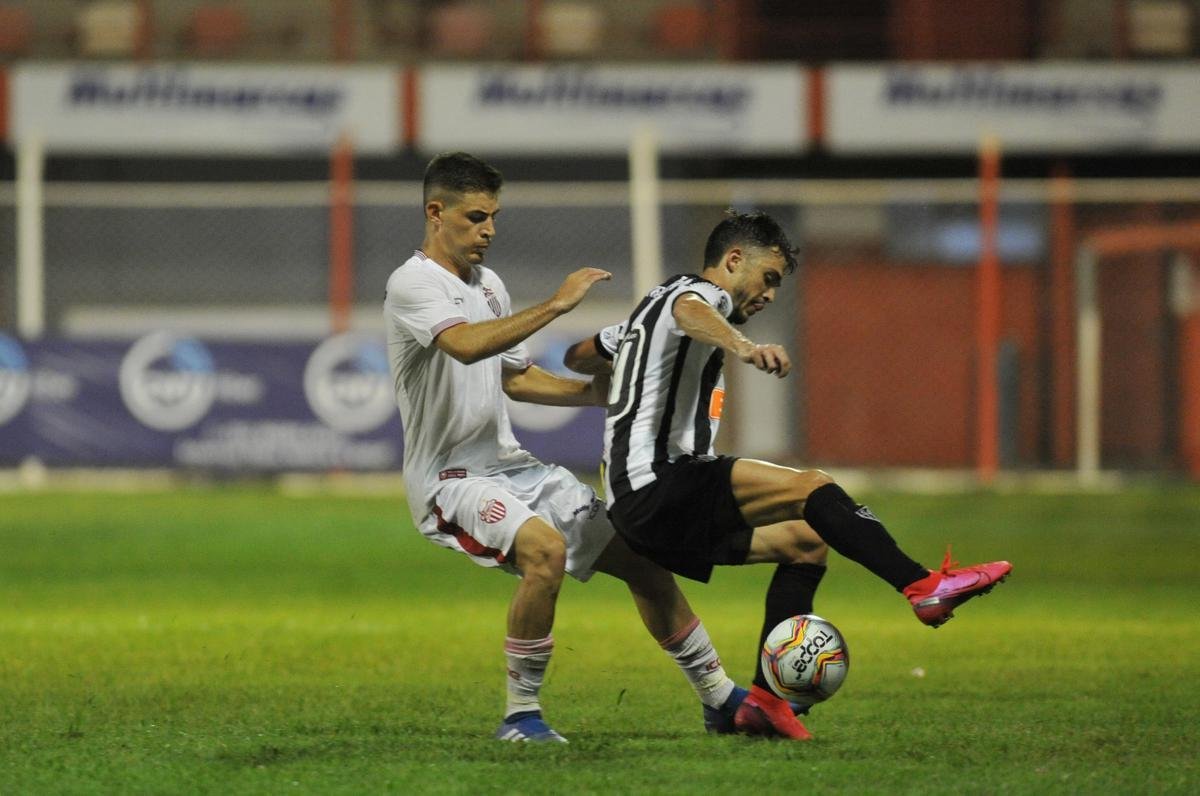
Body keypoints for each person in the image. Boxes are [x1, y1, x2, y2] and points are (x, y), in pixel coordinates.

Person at [564, 208, 1012, 741]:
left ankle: (765, 703)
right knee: (812, 487)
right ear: (733, 261)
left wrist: (629, 364)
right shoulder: (693, 297)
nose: (770, 294)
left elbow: (576, 355)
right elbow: (691, 312)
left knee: (805, 544)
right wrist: (744, 346)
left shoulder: (645, 315)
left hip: (643, 502)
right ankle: (923, 587)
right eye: (768, 278)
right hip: (657, 482)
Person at [384, 152, 764, 744]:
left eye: (494, 216)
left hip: (509, 466)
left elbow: (515, 377)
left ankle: (719, 699)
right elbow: (462, 347)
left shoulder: (489, 286)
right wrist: (556, 307)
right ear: (436, 213)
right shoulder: (412, 283)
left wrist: (599, 396)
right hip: (449, 480)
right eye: (477, 216)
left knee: (640, 559)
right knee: (545, 551)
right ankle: (520, 715)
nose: (489, 230)